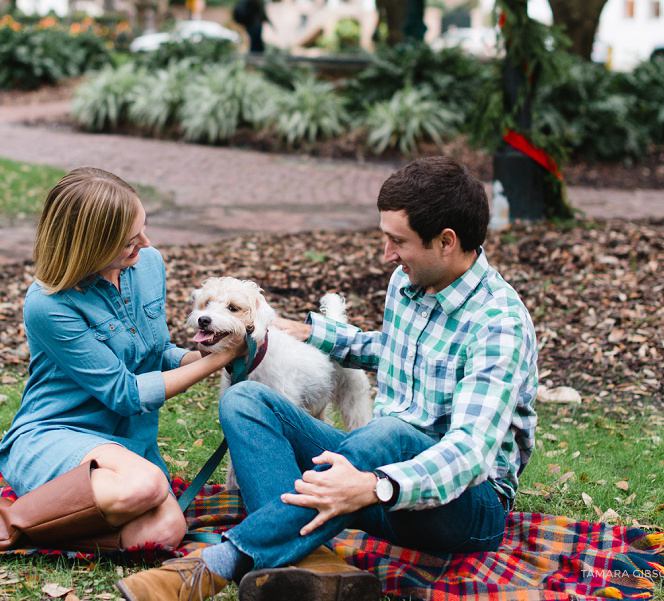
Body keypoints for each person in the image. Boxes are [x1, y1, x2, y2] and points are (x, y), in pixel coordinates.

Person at [116, 156, 539, 601]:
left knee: (388, 431)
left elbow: (469, 454)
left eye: (398, 241)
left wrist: (377, 485)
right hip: (370, 480)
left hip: (461, 507)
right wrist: (316, 333)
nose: (387, 255)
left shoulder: (498, 324)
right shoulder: (408, 282)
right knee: (245, 399)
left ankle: (218, 565)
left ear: (446, 241)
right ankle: (310, 562)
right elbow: (398, 352)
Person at [0, 167, 243, 563]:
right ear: (91, 246)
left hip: (129, 445)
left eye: (144, 228)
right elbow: (126, 394)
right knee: (144, 484)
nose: (146, 243)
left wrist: (221, 348)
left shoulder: (148, 264)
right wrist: (221, 360)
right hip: (56, 435)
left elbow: (157, 354)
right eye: (130, 241)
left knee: (164, 533)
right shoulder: (49, 304)